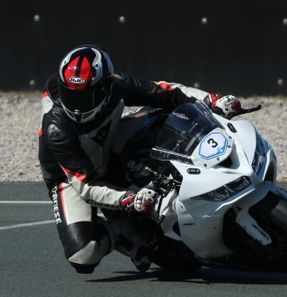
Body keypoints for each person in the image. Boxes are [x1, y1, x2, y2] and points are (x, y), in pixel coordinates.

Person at [38, 45, 242, 274]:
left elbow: (166, 91)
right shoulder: (56, 128)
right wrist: (129, 199)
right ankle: (118, 232)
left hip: (112, 140)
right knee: (83, 254)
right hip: (72, 179)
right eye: (71, 95)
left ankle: (210, 168)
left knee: (169, 115)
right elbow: (87, 186)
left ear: (104, 86)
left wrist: (212, 100)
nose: (77, 106)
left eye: (86, 96)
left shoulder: (116, 84)